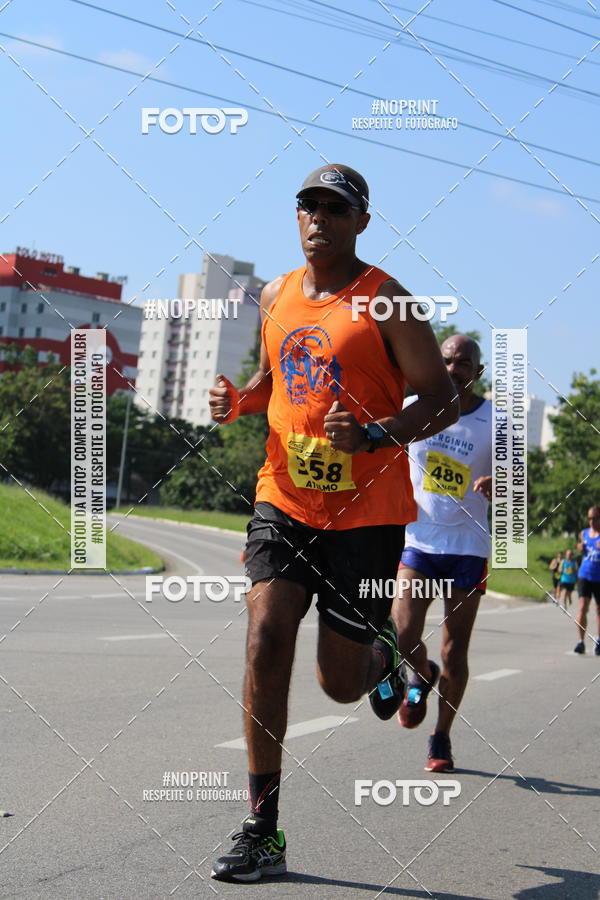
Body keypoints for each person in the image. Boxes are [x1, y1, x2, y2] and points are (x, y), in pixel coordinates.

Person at [208, 163, 458, 882]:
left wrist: (378, 433)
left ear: (361, 222)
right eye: (308, 206)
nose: (319, 218)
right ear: (296, 217)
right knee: (264, 637)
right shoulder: (275, 294)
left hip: (368, 517)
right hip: (283, 499)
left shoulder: (389, 304)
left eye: (336, 209)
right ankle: (263, 827)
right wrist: (241, 402)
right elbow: (275, 380)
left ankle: (388, 658)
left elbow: (439, 395)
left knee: (341, 686)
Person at [378, 335, 492, 773]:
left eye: (464, 362)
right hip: (419, 540)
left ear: (477, 371)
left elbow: (520, 489)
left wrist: (499, 486)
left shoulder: (497, 421)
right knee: (404, 635)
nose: (454, 368)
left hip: (468, 547)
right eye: (447, 360)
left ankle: (440, 736)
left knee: (454, 651)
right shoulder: (414, 406)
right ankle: (419, 674)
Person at [573, 506, 600, 655]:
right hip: (585, 575)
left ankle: (599, 640)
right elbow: (579, 547)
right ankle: (581, 642)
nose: (592, 521)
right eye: (590, 518)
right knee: (582, 607)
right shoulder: (583, 534)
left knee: (599, 610)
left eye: (595, 518)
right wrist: (579, 547)